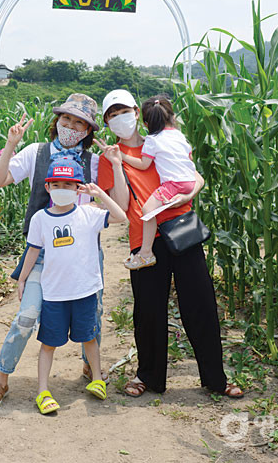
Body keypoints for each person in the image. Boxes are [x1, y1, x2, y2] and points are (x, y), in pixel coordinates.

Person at [0, 93, 127, 409]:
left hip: (83, 255)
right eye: (66, 119)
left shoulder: (94, 162)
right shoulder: (37, 153)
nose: (71, 126)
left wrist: (115, 166)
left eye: (79, 123)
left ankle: (91, 367)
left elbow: (120, 207)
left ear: (89, 131)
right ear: (56, 121)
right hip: (42, 254)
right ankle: (1, 379)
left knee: (93, 315)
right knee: (28, 314)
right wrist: (10, 145)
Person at [97, 89, 243, 399]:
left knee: (201, 305)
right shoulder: (109, 156)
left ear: (137, 112)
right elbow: (121, 206)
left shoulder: (163, 140)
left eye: (122, 111)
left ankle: (216, 379)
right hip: (145, 236)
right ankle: (148, 377)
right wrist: (117, 164)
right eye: (111, 115)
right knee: (148, 312)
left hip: (182, 227)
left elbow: (195, 176)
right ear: (107, 122)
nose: (118, 119)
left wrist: (190, 194)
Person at [17, 157, 127, 414]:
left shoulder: (89, 214)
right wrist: (22, 279)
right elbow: (32, 252)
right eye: (57, 184)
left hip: (85, 291)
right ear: (48, 187)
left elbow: (121, 216)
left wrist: (99, 193)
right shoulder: (40, 219)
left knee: (89, 338)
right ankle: (43, 391)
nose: (62, 189)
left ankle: (98, 379)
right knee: (48, 343)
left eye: (69, 184)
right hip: (55, 294)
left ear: (78, 188)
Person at [119, 96, 196, 270]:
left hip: (173, 185)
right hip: (189, 182)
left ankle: (146, 253)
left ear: (146, 124)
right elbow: (189, 159)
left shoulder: (152, 140)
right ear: (173, 117)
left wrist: (122, 156)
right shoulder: (179, 136)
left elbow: (144, 164)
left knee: (147, 211)